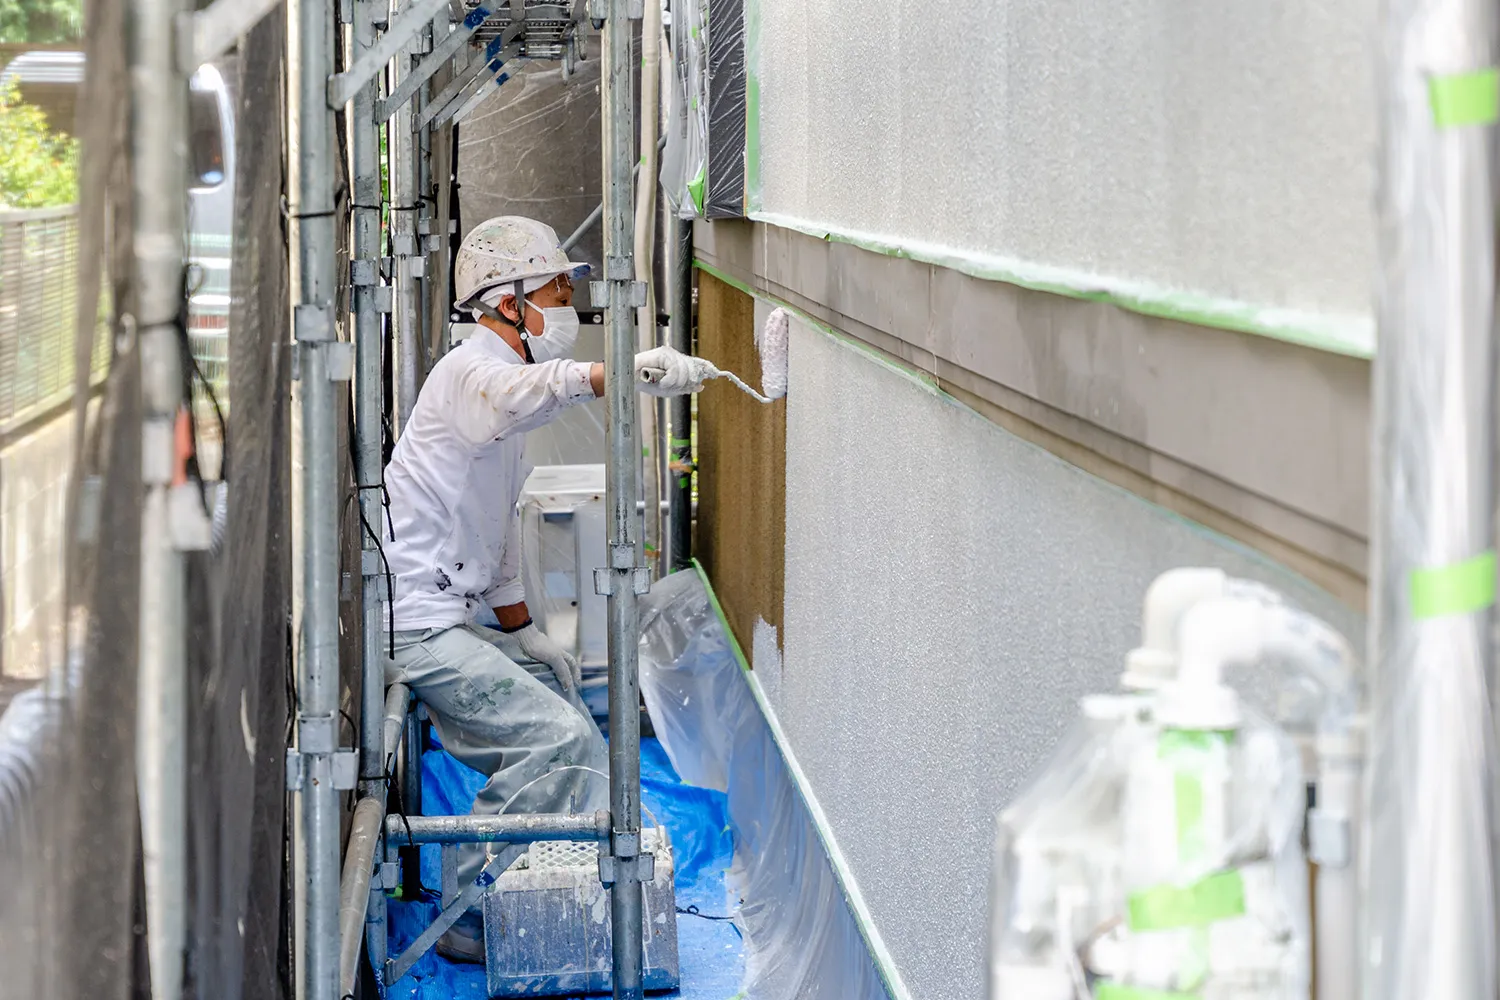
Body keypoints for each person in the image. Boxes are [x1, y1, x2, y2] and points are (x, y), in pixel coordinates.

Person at [380, 215, 708, 961]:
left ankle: (566, 881)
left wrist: (522, 626)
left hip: (448, 615)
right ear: (508, 302)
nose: (569, 303)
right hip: (415, 623)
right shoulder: (471, 373)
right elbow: (525, 390)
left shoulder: (503, 399)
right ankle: (466, 914)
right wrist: (616, 372)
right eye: (558, 289)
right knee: (555, 737)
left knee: (574, 722)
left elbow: (495, 532)